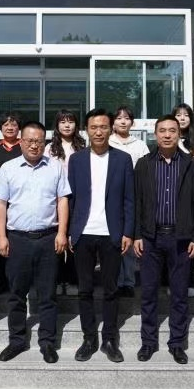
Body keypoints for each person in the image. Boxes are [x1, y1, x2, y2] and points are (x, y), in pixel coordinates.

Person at [0, 121, 71, 364]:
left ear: (44, 142)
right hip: (18, 239)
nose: (34, 145)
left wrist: (62, 233)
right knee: (16, 294)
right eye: (29, 140)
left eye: (38, 141)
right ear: (21, 142)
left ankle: (47, 343)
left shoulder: (55, 167)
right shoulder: (8, 168)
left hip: (48, 238)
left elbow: (62, 201)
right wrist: (1, 237)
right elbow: (0, 204)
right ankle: (16, 341)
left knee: (48, 295)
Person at [133, 116, 194, 365]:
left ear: (179, 134)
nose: (167, 135)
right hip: (150, 238)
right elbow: (137, 201)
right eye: (162, 131)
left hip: (180, 239)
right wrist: (136, 234)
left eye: (172, 131)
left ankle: (177, 343)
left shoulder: (190, 164)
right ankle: (148, 342)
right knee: (148, 293)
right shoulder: (144, 164)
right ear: (155, 134)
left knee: (179, 295)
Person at [68, 108, 134, 363]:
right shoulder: (77, 160)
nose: (98, 132)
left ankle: (109, 339)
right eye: (94, 127)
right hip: (83, 233)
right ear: (86, 130)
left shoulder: (122, 159)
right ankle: (89, 339)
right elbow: (70, 198)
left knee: (111, 289)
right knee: (84, 289)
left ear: (111, 129)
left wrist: (128, 231)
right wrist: (69, 231)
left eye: (103, 127)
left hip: (111, 232)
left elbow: (129, 199)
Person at [109, 105, 150, 298]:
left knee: (130, 237)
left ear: (132, 123)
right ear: (113, 123)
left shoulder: (140, 145)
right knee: (115, 240)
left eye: (126, 118)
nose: (123, 121)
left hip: (133, 196)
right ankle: (116, 281)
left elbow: (146, 171)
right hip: (112, 197)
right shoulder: (108, 142)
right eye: (119, 118)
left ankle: (128, 281)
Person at [44, 109, 85, 296]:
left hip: (77, 198)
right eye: (63, 122)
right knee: (58, 239)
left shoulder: (82, 146)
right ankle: (59, 279)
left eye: (70, 121)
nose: (67, 125)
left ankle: (72, 279)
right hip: (56, 199)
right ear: (57, 125)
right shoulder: (49, 148)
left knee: (74, 239)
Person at [0, 111, 23, 295]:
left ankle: (19, 280)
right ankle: (3, 280)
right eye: (6, 124)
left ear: (19, 128)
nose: (10, 127)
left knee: (18, 243)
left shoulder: (24, 146)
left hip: (20, 201)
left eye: (14, 124)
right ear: (1, 128)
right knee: (0, 241)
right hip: (0, 202)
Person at [173, 102, 194, 298]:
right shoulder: (169, 139)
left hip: (192, 195)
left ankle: (189, 281)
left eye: (186, 115)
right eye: (178, 115)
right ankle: (170, 282)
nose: (182, 118)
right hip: (170, 196)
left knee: (189, 241)